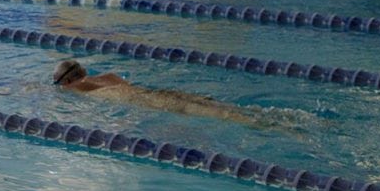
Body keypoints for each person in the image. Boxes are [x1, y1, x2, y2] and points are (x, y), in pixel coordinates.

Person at [51, 59, 280, 128]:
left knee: (215, 115)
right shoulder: (108, 75)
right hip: (152, 92)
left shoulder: (75, 86)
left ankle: (273, 126)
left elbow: (55, 89)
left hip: (146, 101)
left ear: (67, 80)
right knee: (211, 105)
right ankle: (267, 116)